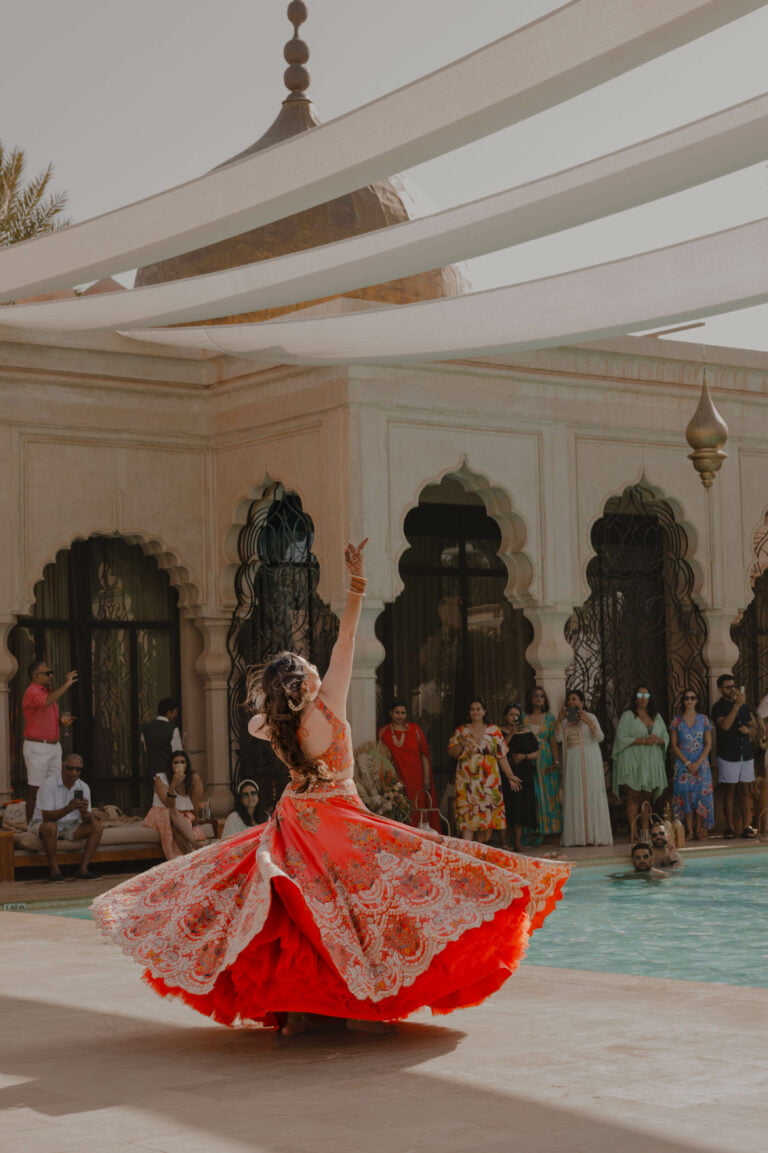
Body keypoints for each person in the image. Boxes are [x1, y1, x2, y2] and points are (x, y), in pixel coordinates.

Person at [92, 541, 570, 1035]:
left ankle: (307, 1004)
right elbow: (347, 637)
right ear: (303, 684)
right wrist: (357, 581)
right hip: (339, 815)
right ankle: (353, 997)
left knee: (302, 909)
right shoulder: (328, 704)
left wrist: (278, 699)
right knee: (369, 899)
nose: (317, 666)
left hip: (297, 818)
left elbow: (259, 718)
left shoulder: (273, 726)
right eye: (307, 666)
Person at [447, 699, 521, 843]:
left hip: (489, 780)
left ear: (484, 711)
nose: (475, 712)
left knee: (486, 819)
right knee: (467, 815)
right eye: (472, 709)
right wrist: (461, 743)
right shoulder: (461, 730)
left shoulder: (494, 730)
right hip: (467, 779)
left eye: (478, 709)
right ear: (469, 713)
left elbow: (501, 756)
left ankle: (479, 850)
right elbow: (453, 754)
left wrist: (510, 776)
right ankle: (468, 850)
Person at [29, 753, 103, 882]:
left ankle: (83, 870)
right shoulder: (49, 785)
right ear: (62, 768)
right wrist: (68, 809)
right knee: (50, 827)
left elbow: (87, 819)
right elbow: (46, 817)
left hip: (70, 826)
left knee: (97, 826)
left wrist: (85, 812)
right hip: (44, 824)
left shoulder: (83, 787)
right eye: (70, 768)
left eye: (78, 769)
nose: (73, 772)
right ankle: (55, 871)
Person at [22, 659, 78, 823]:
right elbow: (46, 701)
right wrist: (67, 684)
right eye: (47, 673)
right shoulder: (33, 692)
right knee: (36, 789)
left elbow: (44, 716)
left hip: (53, 746)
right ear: (35, 676)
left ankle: (53, 824)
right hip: (38, 747)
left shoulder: (46, 692)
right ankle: (30, 826)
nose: (50, 675)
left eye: (50, 672)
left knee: (54, 788)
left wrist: (62, 722)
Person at [556, 689, 613, 847]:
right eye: (569, 699)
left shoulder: (591, 717)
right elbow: (558, 738)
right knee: (575, 795)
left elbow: (600, 737)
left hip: (589, 762)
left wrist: (588, 722)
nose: (571, 702)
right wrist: (559, 721)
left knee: (591, 794)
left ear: (581, 702)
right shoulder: (565, 721)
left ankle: (594, 835)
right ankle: (577, 837)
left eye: (575, 699)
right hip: (573, 764)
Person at [612, 685, 669, 839]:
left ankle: (645, 830)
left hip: (651, 761)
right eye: (640, 694)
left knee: (647, 795)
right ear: (635, 697)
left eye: (646, 694)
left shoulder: (656, 716)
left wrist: (658, 740)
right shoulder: (628, 716)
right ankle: (633, 831)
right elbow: (621, 738)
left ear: (650, 697)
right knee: (633, 795)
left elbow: (666, 737)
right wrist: (643, 740)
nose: (643, 698)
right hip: (633, 759)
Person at [378, 700, 439, 830]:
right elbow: (381, 757)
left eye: (403, 713)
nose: (400, 716)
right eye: (397, 712)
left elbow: (424, 755)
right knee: (399, 810)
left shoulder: (415, 730)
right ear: (391, 713)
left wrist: (426, 778)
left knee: (418, 807)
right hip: (395, 779)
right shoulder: (384, 732)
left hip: (415, 778)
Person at [711, 674, 757, 838]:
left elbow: (753, 728)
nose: (732, 689)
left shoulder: (744, 707)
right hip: (728, 755)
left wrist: (749, 730)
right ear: (720, 689)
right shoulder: (718, 707)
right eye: (728, 687)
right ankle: (729, 827)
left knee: (745, 791)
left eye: (733, 686)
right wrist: (736, 706)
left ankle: (747, 826)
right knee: (729, 791)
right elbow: (724, 725)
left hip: (745, 754)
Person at [142, 750, 205, 858]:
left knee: (177, 828)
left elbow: (195, 804)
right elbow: (168, 803)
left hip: (181, 816)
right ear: (170, 765)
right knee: (171, 811)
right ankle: (195, 845)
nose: (179, 765)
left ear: (187, 765)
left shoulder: (193, 779)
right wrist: (173, 784)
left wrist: (195, 821)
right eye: (176, 762)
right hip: (161, 813)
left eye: (182, 762)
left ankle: (190, 856)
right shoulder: (160, 778)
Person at [669, 689, 714, 840]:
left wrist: (699, 762)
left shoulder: (704, 720)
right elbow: (674, 745)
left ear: (697, 700)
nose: (689, 700)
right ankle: (688, 830)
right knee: (685, 795)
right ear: (683, 701)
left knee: (701, 794)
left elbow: (708, 744)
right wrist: (687, 763)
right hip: (683, 763)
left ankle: (700, 828)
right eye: (687, 698)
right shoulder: (677, 721)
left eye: (693, 698)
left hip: (701, 763)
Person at [522, 685, 561, 842]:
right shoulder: (523, 717)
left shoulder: (550, 718)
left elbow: (553, 741)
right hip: (529, 757)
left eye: (541, 696)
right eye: (535, 695)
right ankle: (531, 830)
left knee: (547, 793)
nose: (538, 698)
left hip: (545, 757)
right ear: (530, 699)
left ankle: (548, 831)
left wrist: (556, 761)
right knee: (533, 794)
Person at [499, 704, 539, 852]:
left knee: (520, 806)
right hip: (506, 772)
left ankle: (517, 841)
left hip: (524, 772)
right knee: (507, 806)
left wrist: (524, 756)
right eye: (511, 714)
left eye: (517, 715)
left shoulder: (527, 732)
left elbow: (537, 752)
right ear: (505, 716)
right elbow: (499, 748)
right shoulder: (499, 732)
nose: (514, 717)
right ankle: (504, 841)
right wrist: (511, 734)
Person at [140, 698, 182, 778]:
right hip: (167, 773)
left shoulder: (145, 728)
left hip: (151, 772)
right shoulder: (173, 729)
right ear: (169, 712)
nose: (176, 715)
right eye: (175, 712)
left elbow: (145, 748)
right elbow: (177, 754)